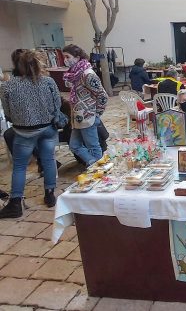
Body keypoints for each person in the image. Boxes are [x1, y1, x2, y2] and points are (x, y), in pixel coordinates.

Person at [0, 50, 61, 218]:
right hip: (47, 128)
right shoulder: (48, 82)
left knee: (19, 166)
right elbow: (57, 104)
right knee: (48, 160)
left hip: (23, 130)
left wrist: (20, 119)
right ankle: (50, 194)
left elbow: (7, 111)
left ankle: (16, 202)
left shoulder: (8, 85)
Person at [63, 44, 108, 167]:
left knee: (93, 147)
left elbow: (102, 96)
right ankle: (93, 164)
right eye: (64, 57)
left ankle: (101, 171)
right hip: (77, 117)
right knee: (74, 145)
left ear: (77, 57)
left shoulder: (87, 74)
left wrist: (96, 113)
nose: (65, 60)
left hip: (88, 117)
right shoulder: (75, 74)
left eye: (68, 57)